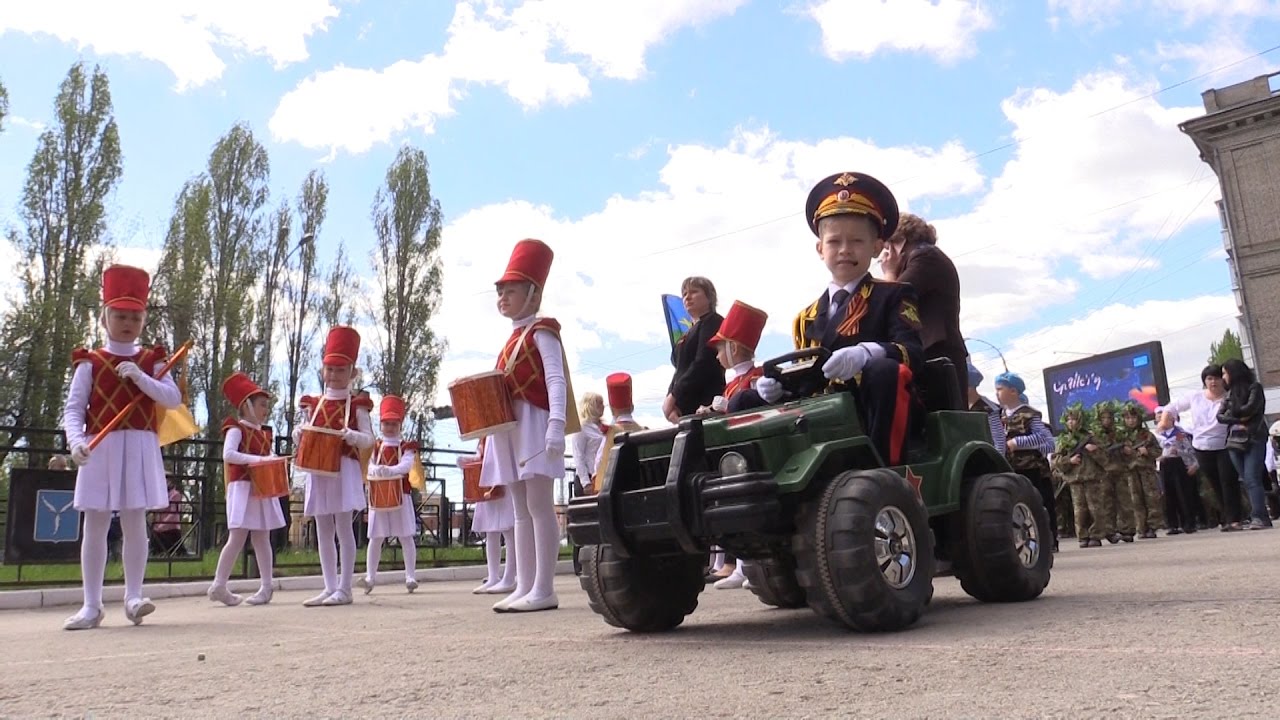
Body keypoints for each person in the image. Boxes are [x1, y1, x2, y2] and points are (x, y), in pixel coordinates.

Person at [756, 171, 923, 466]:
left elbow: (912, 352)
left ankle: (884, 468)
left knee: (886, 370)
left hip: (875, 407)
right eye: (834, 242)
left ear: (877, 247)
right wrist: (779, 387)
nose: (845, 249)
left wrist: (866, 353)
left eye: (857, 240)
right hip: (825, 412)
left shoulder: (894, 295)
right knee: (746, 400)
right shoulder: (805, 318)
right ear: (820, 249)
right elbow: (808, 377)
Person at [61, 264, 181, 630]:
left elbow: (173, 398)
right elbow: (73, 408)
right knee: (95, 522)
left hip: (140, 446)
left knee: (134, 521)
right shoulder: (91, 362)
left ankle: (132, 598)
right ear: (105, 317)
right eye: (119, 315)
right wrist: (76, 441)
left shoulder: (152, 360)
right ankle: (92, 605)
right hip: (101, 446)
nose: (127, 322)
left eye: (134, 316)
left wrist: (141, 377)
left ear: (143, 320)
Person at [482, 238, 579, 613]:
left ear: (533, 293)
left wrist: (556, 423)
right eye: (501, 291)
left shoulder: (543, 331)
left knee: (539, 505)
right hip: (511, 427)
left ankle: (544, 588)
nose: (503, 296)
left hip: (535, 422)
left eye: (511, 289)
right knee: (519, 509)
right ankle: (524, 585)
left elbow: (555, 379)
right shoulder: (511, 338)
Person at [294, 327, 375, 606]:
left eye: (340, 369)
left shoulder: (358, 405)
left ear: (352, 373)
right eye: (329, 368)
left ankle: (345, 588)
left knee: (343, 527)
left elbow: (369, 440)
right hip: (319, 469)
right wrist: (299, 433)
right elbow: (308, 431)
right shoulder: (313, 403)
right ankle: (329, 586)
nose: (333, 374)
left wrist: (352, 436)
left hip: (344, 469)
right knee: (322, 528)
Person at [209, 372, 285, 607]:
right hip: (242, 487)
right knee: (238, 536)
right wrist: (260, 460)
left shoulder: (263, 433)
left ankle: (266, 586)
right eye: (261, 405)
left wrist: (272, 459)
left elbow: (264, 456)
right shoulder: (236, 429)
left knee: (262, 536)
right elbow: (228, 455)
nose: (265, 409)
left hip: (261, 487)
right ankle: (219, 585)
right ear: (246, 406)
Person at [878, 213, 969, 396]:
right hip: (933, 353)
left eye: (888, 246)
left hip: (937, 353)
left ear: (900, 241)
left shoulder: (925, 256)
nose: (884, 255)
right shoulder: (924, 256)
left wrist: (888, 272)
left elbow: (891, 299)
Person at [359, 395, 421, 594]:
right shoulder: (376, 446)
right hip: (379, 497)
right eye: (386, 423)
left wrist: (391, 470)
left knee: (405, 536)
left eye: (394, 423)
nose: (390, 427)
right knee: (375, 537)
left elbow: (406, 465)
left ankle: (410, 575)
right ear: (381, 424)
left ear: (400, 425)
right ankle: (370, 577)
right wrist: (376, 470)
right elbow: (368, 464)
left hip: (400, 495)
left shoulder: (406, 447)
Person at [1167, 365, 1241, 530]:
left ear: (1223, 379)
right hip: (1202, 447)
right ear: (1204, 381)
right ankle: (1227, 517)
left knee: (1228, 480)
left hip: (1224, 445)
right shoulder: (1196, 396)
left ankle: (1234, 518)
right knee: (1215, 482)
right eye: (1209, 379)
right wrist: (1166, 418)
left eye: (1216, 377)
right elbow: (1172, 407)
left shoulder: (1229, 398)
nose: (1213, 382)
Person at [994, 373, 1058, 549]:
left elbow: (1048, 442)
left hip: (1032, 470)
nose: (996, 393)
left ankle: (1049, 541)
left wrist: (1017, 443)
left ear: (1013, 391)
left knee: (1040, 506)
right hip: (1010, 469)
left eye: (1000, 389)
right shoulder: (998, 416)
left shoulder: (1029, 415)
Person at [1216, 358, 1274, 530]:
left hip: (1254, 437)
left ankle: (1259, 517)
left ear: (1234, 372)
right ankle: (1259, 515)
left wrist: (1234, 414)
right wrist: (1239, 419)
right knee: (1246, 480)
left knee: (1252, 477)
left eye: (1225, 373)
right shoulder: (1229, 394)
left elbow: (1251, 409)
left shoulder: (1254, 387)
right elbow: (1220, 416)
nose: (1223, 377)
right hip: (1234, 440)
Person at [459, 441, 517, 595]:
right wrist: (469, 460)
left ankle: (510, 576)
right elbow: (481, 455)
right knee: (491, 532)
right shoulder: (484, 437)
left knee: (509, 532)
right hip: (488, 483)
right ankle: (493, 576)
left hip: (504, 480)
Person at [664, 277, 725, 422]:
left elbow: (703, 362)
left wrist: (674, 395)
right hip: (684, 410)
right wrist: (671, 402)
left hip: (705, 405)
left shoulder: (713, 321)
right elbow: (680, 370)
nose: (687, 297)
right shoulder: (687, 333)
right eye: (684, 294)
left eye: (694, 292)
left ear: (709, 296)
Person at [1052, 404, 1112, 547]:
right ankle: (1083, 536)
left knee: (1095, 508)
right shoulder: (1065, 440)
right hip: (1075, 480)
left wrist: (1094, 451)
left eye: (1074, 419)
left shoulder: (1091, 438)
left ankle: (1096, 535)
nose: (1071, 422)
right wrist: (1069, 461)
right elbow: (1056, 461)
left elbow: (1105, 459)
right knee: (1079, 510)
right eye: (1068, 420)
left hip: (1092, 478)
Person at [700, 299, 768, 416]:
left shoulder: (757, 377)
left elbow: (758, 409)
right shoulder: (731, 384)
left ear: (733, 349)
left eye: (719, 350)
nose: (717, 356)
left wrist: (728, 406)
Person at [593, 373, 646, 492]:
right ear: (631, 405)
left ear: (612, 407)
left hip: (612, 492)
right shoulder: (642, 430)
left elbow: (599, 462)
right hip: (640, 489)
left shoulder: (611, 432)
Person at [1092, 402, 1136, 543]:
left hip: (1120, 471)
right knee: (1106, 504)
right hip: (1103, 474)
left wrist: (1127, 451)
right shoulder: (1093, 435)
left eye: (1109, 417)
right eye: (1103, 417)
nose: (1107, 420)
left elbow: (1130, 450)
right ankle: (1109, 532)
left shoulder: (1119, 433)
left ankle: (1127, 530)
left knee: (1125, 502)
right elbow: (1094, 455)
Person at [1119, 402, 1163, 539]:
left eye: (1133, 418)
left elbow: (1158, 451)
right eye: (1127, 418)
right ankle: (1140, 527)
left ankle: (1152, 527)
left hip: (1146, 471)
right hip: (1130, 472)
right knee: (1134, 500)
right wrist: (1123, 452)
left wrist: (1147, 451)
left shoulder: (1147, 435)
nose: (1130, 421)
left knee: (1151, 499)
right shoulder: (1121, 437)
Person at [1155, 406, 1199, 535]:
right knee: (1168, 495)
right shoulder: (1157, 435)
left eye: (1166, 419)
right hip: (1164, 464)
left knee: (1183, 494)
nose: (1163, 422)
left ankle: (1189, 523)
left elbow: (1189, 450)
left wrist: (1179, 452)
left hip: (1178, 463)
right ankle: (1172, 525)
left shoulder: (1179, 433)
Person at [569, 392, 607, 497]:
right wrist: (586, 483)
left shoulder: (605, 427)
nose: (603, 406)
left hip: (602, 478)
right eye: (599, 403)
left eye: (603, 403)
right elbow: (578, 457)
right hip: (588, 479)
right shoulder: (581, 428)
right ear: (590, 406)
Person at [965, 360, 1006, 452]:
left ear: (969, 386)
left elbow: (999, 443)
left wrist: (997, 465)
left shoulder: (988, 409)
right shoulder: (963, 407)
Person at [151, 481, 184, 556]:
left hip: (171, 525)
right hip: (160, 524)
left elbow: (174, 512)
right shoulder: (162, 494)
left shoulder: (175, 494)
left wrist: (162, 524)